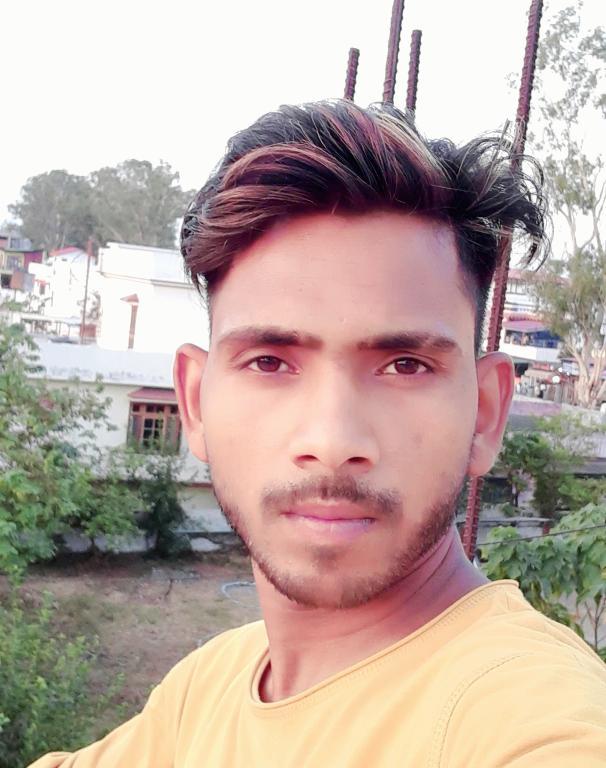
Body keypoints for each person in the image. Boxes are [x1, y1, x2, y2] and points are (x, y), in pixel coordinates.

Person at [30, 100, 606, 767]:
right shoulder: (206, 691)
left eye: (405, 365)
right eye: (270, 362)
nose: (332, 440)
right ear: (194, 403)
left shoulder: (534, 721)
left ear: (485, 413)